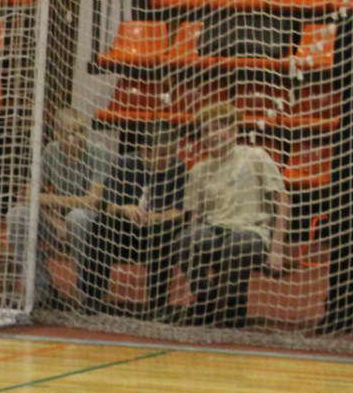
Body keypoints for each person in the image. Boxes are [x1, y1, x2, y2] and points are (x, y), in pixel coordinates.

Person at [183, 100, 288, 327]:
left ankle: (234, 306)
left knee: (237, 245)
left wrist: (277, 248)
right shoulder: (198, 170)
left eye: (217, 128)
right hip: (214, 231)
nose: (211, 135)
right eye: (205, 131)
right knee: (185, 241)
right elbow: (195, 217)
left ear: (233, 130)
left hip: (251, 231)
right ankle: (206, 298)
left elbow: (282, 199)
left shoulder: (255, 156)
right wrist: (192, 237)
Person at [77, 120, 188, 318]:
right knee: (102, 225)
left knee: (163, 230)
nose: (168, 159)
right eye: (163, 154)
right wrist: (125, 209)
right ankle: (92, 297)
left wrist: (154, 217)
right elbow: (106, 206)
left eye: (172, 153)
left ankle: (158, 305)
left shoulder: (178, 168)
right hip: (126, 233)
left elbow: (180, 213)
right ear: (146, 151)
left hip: (156, 234)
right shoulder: (124, 164)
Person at [7, 105, 107, 308]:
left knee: (77, 218)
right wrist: (53, 219)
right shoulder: (51, 152)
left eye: (81, 131)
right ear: (57, 135)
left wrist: (48, 200)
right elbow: (29, 195)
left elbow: (93, 201)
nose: (77, 137)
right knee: (18, 215)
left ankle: (88, 291)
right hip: (58, 224)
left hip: (94, 225)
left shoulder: (98, 153)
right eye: (71, 132)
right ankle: (42, 287)